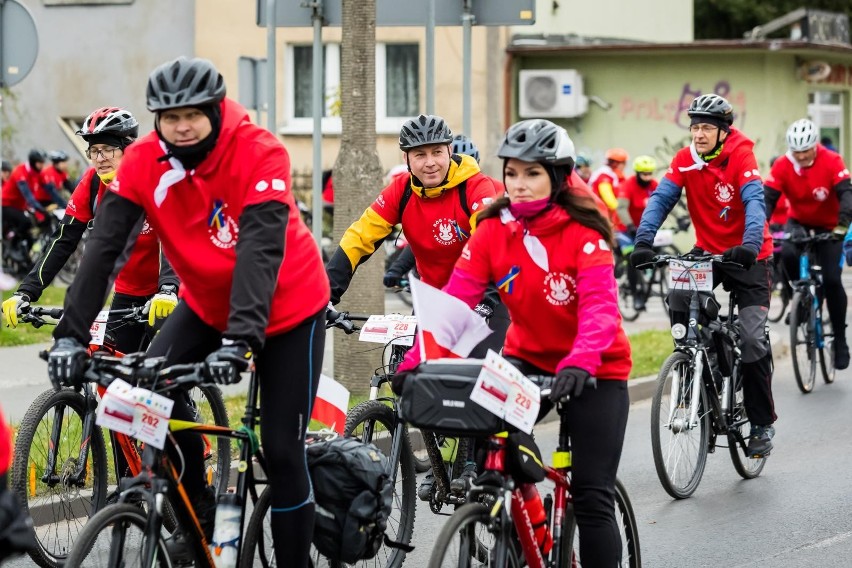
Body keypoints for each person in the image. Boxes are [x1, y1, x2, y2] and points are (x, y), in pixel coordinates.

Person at [44, 56, 329, 566]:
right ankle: (197, 513)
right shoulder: (142, 162)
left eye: (192, 114)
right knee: (145, 390)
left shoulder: (259, 152)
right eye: (168, 116)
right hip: (204, 303)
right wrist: (69, 335)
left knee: (282, 452)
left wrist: (240, 342)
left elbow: (259, 253)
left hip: (288, 309)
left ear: (216, 111)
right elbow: (104, 247)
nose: (180, 126)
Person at [395, 118, 632, 568]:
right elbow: (454, 307)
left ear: (559, 178)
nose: (519, 185)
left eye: (533, 173)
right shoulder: (491, 230)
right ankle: (533, 532)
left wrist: (580, 361)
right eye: (512, 173)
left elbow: (601, 311)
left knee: (591, 495)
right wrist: (415, 362)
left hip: (595, 369)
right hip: (525, 359)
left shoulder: (584, 235)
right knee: (494, 460)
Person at [630, 93, 777, 457]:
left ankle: (761, 423)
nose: (698, 134)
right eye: (694, 127)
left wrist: (749, 243)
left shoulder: (741, 154)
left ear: (723, 132)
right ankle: (694, 372)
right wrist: (643, 241)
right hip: (707, 251)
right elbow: (662, 199)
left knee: (754, 338)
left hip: (749, 255)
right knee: (680, 301)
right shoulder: (684, 160)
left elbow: (754, 202)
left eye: (707, 127)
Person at [3, 106, 179, 355]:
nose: (99, 158)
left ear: (128, 149)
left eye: (107, 149)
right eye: (94, 151)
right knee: (114, 371)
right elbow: (64, 239)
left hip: (174, 289)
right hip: (130, 292)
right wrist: (26, 291)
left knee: (170, 373)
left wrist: (169, 289)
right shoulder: (93, 183)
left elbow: (174, 240)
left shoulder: (155, 179)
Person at [765, 118, 852, 369]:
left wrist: (842, 225)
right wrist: (760, 226)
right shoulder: (783, 165)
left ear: (815, 146)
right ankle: (799, 298)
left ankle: (840, 338)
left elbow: (846, 194)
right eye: (796, 152)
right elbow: (768, 198)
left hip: (830, 225)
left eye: (806, 151)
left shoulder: (832, 161)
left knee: (833, 280)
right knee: (788, 255)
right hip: (799, 222)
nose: (801, 156)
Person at [616, 155, 658, 311]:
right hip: (625, 229)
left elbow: (664, 202)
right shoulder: (628, 185)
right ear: (637, 173)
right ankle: (636, 294)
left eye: (649, 173)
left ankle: (649, 281)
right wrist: (629, 225)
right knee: (631, 256)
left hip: (644, 228)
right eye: (643, 174)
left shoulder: (654, 184)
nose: (647, 177)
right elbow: (621, 208)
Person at [1, 150, 47, 253]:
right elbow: (28, 196)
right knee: (25, 222)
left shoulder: (35, 174)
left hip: (19, 206)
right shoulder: (20, 172)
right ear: (33, 162)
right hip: (6, 204)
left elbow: (49, 190)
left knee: (31, 228)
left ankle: (25, 253)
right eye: (40, 163)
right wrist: (42, 210)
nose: (42, 166)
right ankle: (12, 243)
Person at [589, 147, 629, 231]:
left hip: (607, 216)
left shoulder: (613, 174)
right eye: (624, 163)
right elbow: (609, 199)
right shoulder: (604, 175)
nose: (625, 166)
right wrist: (621, 211)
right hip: (601, 217)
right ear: (616, 163)